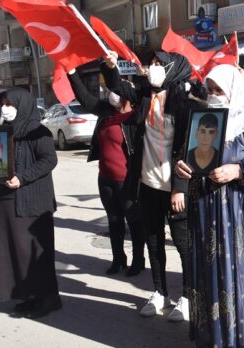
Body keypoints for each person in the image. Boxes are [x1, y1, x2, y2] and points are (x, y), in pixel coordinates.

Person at [174, 63, 244, 347]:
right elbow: (193, 158)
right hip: (208, 224)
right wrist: (182, 168)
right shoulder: (204, 121)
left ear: (234, 90)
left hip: (243, 227)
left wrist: (239, 170)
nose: (214, 96)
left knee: (243, 284)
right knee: (214, 281)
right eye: (210, 90)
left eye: (219, 90)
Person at [104, 51, 203, 322]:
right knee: (153, 241)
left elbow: (189, 148)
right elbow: (119, 87)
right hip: (147, 183)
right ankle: (160, 293)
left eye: (160, 64)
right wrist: (111, 67)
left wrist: (180, 187)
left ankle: (188, 296)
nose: (153, 68)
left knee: (183, 244)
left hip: (175, 187)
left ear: (174, 69)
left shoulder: (186, 102)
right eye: (153, 63)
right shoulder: (146, 94)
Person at [0, 88, 59, 318]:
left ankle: (48, 298)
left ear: (22, 105)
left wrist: (22, 178)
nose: (5, 108)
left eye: (10, 103)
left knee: (33, 254)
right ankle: (28, 296)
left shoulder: (38, 131)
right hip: (4, 200)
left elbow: (49, 160)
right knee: (14, 253)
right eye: (3, 103)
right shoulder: (0, 132)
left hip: (32, 202)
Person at [67, 51, 146, 276]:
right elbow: (83, 97)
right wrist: (72, 73)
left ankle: (138, 260)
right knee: (114, 220)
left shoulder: (136, 116)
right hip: (106, 179)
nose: (111, 94)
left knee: (134, 221)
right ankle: (118, 258)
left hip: (127, 180)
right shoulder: (106, 112)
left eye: (116, 91)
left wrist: (112, 68)